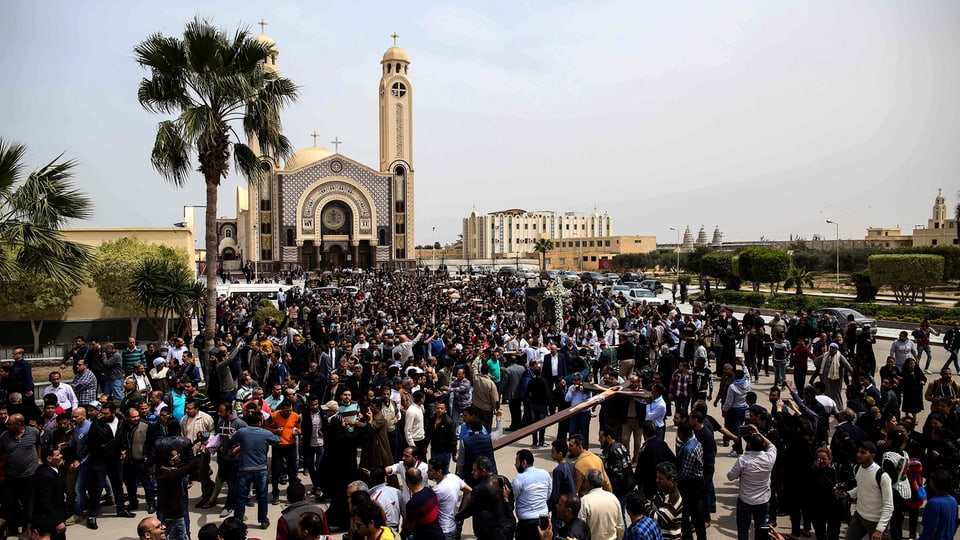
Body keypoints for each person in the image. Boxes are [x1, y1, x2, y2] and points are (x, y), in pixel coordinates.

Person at [231, 404, 281, 529]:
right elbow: (277, 440)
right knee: (262, 496)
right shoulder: (265, 433)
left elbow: (232, 438)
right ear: (260, 422)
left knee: (241, 496)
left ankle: (238, 519)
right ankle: (263, 520)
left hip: (244, 469)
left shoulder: (242, 432)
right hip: (261, 470)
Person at [726, 426, 777, 540]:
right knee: (761, 528)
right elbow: (772, 446)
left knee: (743, 529)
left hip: (745, 500)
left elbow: (730, 476)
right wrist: (759, 434)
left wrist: (740, 474)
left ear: (749, 445)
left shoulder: (743, 461)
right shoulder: (769, 458)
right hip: (763, 500)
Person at [426, 457, 471, 540]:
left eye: (430, 470)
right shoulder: (453, 477)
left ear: (439, 472)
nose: (427, 472)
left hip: (443, 531)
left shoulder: (437, 490)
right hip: (453, 528)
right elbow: (469, 491)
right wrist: (462, 512)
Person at [266, 399, 301, 505]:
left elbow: (300, 428)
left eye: (290, 410)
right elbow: (266, 428)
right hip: (278, 446)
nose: (288, 412)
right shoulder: (274, 416)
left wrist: (298, 432)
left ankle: (291, 496)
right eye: (286, 411)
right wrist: (275, 431)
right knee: (276, 471)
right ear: (281, 409)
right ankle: (275, 494)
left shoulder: (296, 416)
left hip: (290, 445)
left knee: (292, 472)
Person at [513, 449, 552, 540]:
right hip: (544, 521)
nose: (515, 465)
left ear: (524, 463)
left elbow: (513, 497)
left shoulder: (519, 479)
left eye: (517, 463)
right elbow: (548, 495)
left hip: (526, 524)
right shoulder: (545, 474)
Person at [579, 469, 625, 540]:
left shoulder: (584, 501)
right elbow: (620, 526)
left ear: (588, 482)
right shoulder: (613, 498)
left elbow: (581, 528)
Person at [403, 467, 445, 540]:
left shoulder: (413, 503)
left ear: (407, 482)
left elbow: (408, 528)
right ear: (422, 478)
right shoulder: (430, 492)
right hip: (439, 535)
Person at [917, 469, 959, 540]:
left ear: (934, 484)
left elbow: (928, 530)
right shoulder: (953, 501)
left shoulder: (933, 503)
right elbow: (955, 524)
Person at [646, 462, 682, 540]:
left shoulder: (672, 498)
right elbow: (653, 504)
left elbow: (660, 520)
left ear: (671, 480)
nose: (657, 480)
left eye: (661, 479)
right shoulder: (663, 490)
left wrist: (645, 506)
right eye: (657, 477)